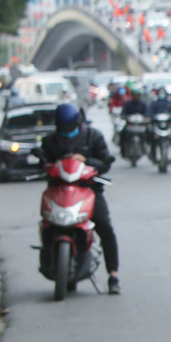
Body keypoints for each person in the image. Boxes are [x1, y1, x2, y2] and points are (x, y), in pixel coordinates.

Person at [38, 103, 121, 295]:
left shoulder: (93, 137)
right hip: (59, 190)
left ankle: (113, 274)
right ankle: (50, 260)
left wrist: (85, 160)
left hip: (87, 190)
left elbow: (104, 163)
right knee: (47, 224)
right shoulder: (50, 141)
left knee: (105, 227)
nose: (66, 133)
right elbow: (43, 163)